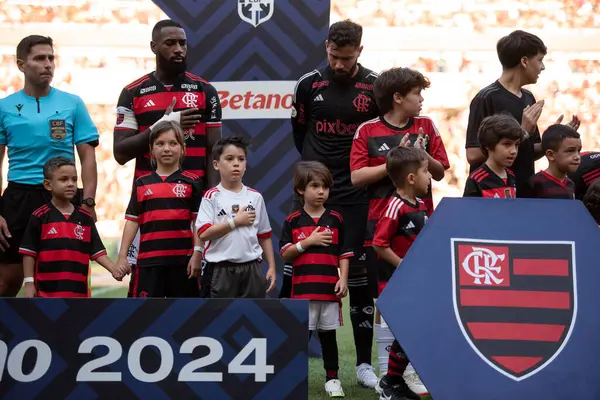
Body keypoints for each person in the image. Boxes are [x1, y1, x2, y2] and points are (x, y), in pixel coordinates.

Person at [287, 19, 380, 387]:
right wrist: (316, 179)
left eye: (347, 57)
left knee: (358, 279)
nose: (339, 64)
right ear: (326, 47)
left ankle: (362, 366)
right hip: (316, 193)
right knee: (301, 276)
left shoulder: (375, 86)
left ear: (360, 50)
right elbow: (300, 134)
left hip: (357, 196)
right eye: (334, 56)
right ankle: (285, 360)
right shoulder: (308, 85)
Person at [350, 67, 449, 395]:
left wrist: (421, 156)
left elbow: (440, 173)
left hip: (422, 231)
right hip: (381, 230)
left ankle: (413, 372)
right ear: (397, 97)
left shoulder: (427, 126)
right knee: (387, 304)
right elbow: (356, 177)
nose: (421, 99)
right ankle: (385, 374)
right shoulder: (367, 130)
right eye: (417, 93)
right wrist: (395, 162)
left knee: (419, 303)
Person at [112, 19, 222, 297]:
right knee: (145, 292)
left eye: (182, 43)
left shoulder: (204, 91)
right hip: (151, 208)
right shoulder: (133, 92)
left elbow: (214, 152)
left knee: (191, 289)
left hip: (193, 209)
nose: (178, 49)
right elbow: (120, 152)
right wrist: (164, 123)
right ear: (154, 47)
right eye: (170, 43)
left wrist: (210, 200)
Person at [0, 35, 99, 297]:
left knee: (66, 279)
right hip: (18, 197)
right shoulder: (4, 107)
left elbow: (88, 156)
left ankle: (65, 336)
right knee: (6, 282)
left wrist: (87, 202)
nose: (48, 65)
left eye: (51, 58)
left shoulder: (72, 103)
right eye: (39, 58)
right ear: (21, 64)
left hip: (61, 198)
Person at [464, 29, 580, 196]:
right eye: (540, 60)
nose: (543, 67)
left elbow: (528, 152)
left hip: (524, 191)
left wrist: (555, 140)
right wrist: (522, 132)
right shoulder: (486, 98)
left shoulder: (528, 97)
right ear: (524, 61)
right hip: (492, 196)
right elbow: (473, 154)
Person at [280, 161, 350, 398]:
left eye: (325, 187)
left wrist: (344, 279)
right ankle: (291, 379)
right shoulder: (293, 221)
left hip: (329, 291)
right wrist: (307, 242)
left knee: (329, 337)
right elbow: (285, 253)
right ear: (301, 189)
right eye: (315, 186)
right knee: (301, 336)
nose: (321, 192)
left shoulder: (336, 219)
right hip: (302, 293)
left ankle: (333, 379)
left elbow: (344, 253)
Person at [117, 121, 202, 298]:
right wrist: (122, 256)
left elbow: (197, 223)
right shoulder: (141, 183)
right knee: (143, 315)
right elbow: (132, 221)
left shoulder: (192, 182)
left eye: (173, 143)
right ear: (151, 150)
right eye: (160, 144)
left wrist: (197, 254)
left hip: (183, 263)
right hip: (148, 263)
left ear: (183, 148)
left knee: (185, 316)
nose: (167, 149)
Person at [372, 146, 431, 400]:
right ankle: (389, 384)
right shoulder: (394, 206)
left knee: (414, 333)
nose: (430, 177)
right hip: (396, 284)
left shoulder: (421, 205)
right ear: (411, 178)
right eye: (426, 171)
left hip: (417, 284)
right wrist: (404, 266)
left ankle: (394, 381)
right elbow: (378, 244)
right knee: (407, 333)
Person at [19, 157, 125, 298]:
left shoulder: (85, 218)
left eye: (74, 180)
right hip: (46, 295)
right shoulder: (40, 216)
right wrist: (29, 283)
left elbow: (97, 252)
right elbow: (29, 253)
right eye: (64, 180)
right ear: (48, 185)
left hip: (78, 296)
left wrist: (114, 270)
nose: (70, 184)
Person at [197, 136, 276, 298]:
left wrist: (272, 267)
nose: (236, 164)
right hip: (220, 270)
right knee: (219, 319)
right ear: (216, 165)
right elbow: (203, 233)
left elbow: (264, 235)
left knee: (253, 316)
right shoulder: (211, 196)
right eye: (229, 158)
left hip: (252, 269)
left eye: (241, 159)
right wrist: (235, 222)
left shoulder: (255, 197)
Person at [463, 114, 523, 198]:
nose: (513, 151)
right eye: (507, 144)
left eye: (516, 145)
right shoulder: (476, 180)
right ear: (488, 145)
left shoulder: (511, 176)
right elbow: (469, 210)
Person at [524, 125, 581, 199]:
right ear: (551, 155)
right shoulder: (535, 183)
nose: (577, 157)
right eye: (570, 151)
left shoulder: (570, 184)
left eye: (578, 151)